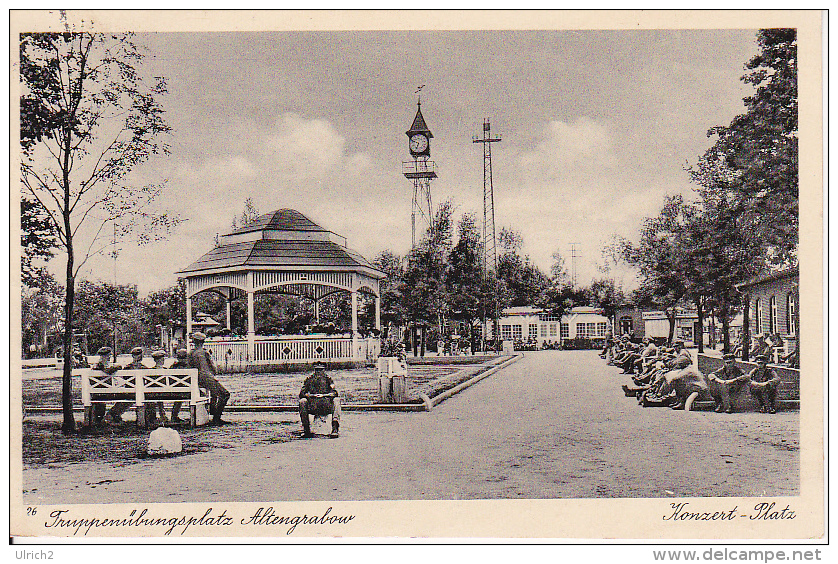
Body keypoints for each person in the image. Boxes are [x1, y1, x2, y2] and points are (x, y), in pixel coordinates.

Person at [188, 332, 230, 425]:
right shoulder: (203, 353)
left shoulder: (191, 353)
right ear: (203, 341)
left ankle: (213, 411)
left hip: (195, 380)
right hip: (206, 378)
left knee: (214, 394)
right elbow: (210, 369)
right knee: (225, 394)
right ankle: (216, 417)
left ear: (194, 341)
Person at [298, 362, 340, 438]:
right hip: (313, 406)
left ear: (324, 370)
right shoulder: (309, 380)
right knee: (302, 401)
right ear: (314, 370)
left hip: (325, 405)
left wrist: (327, 395)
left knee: (336, 401)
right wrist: (310, 395)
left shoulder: (328, 380)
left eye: (321, 370)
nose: (319, 372)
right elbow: (302, 393)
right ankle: (306, 429)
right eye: (317, 370)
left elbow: (335, 392)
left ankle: (335, 428)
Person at [91, 346, 121, 425]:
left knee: (129, 395)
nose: (109, 358)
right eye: (108, 356)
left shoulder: (102, 365)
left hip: (104, 391)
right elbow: (108, 371)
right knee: (129, 396)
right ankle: (112, 414)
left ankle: (112, 414)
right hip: (101, 392)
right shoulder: (99, 366)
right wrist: (117, 366)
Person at [148, 350, 169, 426]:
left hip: (154, 393)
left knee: (154, 395)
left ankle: (154, 417)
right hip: (167, 392)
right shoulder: (167, 370)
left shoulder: (151, 371)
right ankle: (162, 415)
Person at [169, 348, 190, 423]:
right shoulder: (189, 367)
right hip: (186, 392)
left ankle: (174, 416)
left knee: (179, 396)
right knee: (198, 393)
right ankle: (194, 415)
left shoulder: (173, 367)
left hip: (172, 392)